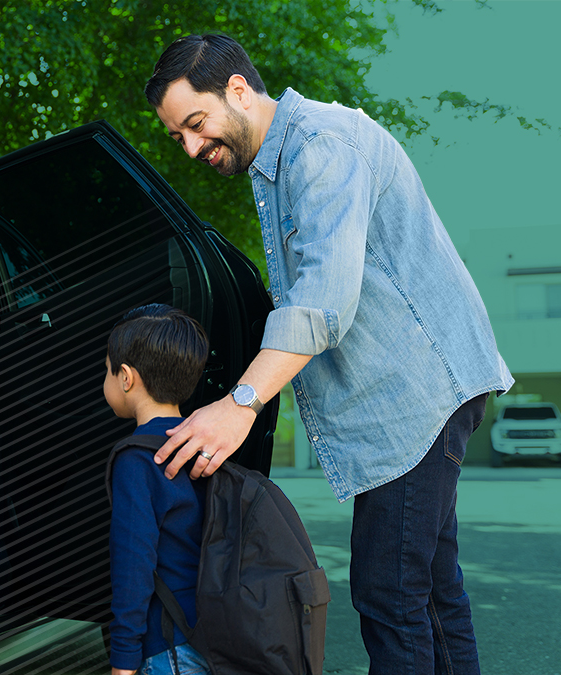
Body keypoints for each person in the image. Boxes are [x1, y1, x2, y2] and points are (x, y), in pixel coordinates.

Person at [143, 34, 514, 674]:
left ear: (237, 89)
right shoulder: (282, 164)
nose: (192, 147)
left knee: (391, 594)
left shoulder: (318, 145)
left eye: (195, 125)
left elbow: (322, 302)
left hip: (417, 394)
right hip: (418, 394)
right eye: (179, 136)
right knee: (429, 595)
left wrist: (240, 406)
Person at [103, 304, 214, 675]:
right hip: (212, 633)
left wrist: (123, 658)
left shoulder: (136, 461)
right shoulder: (206, 445)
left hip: (167, 646)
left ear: (125, 378)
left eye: (106, 370)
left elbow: (133, 563)